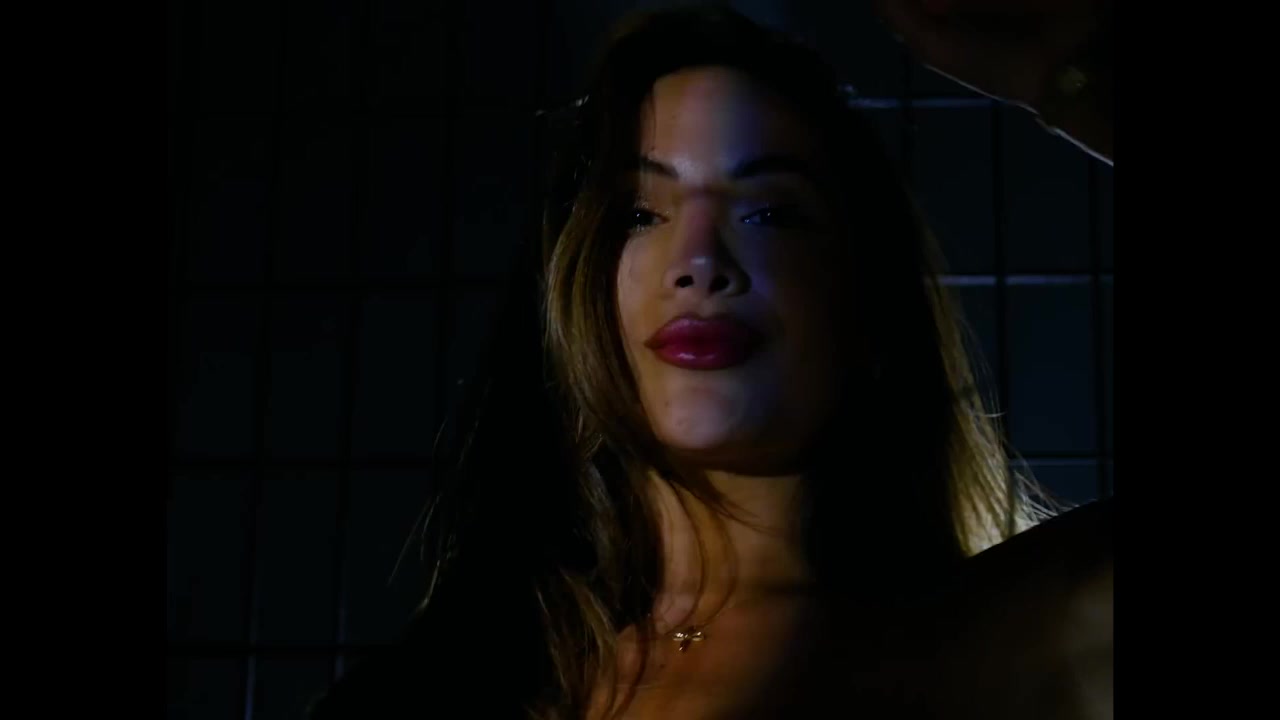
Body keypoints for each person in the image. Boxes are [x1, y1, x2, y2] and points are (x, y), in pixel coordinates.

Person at [310, 2, 1113, 718]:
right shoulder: (429, 690)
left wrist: (1071, 71)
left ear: (869, 303)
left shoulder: (1037, 633)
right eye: (639, 212)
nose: (699, 261)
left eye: (770, 212)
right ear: (578, 291)